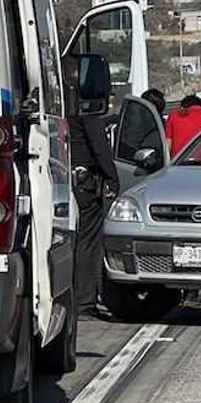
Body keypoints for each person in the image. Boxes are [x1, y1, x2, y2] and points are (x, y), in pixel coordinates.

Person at [70, 104, 120, 320]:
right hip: (84, 186)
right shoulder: (85, 110)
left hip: (59, 180)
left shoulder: (57, 108)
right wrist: (112, 178)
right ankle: (84, 302)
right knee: (87, 243)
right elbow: (99, 147)